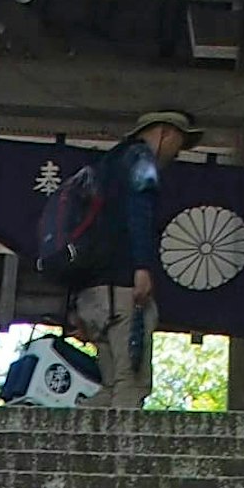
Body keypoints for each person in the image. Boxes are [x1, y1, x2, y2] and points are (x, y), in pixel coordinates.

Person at [73, 108, 192, 406]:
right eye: (179, 141)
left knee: (110, 385)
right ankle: (121, 453)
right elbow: (140, 214)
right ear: (166, 133)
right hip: (124, 289)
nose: (177, 153)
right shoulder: (141, 160)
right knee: (131, 384)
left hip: (93, 292)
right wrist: (142, 267)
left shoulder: (105, 165)